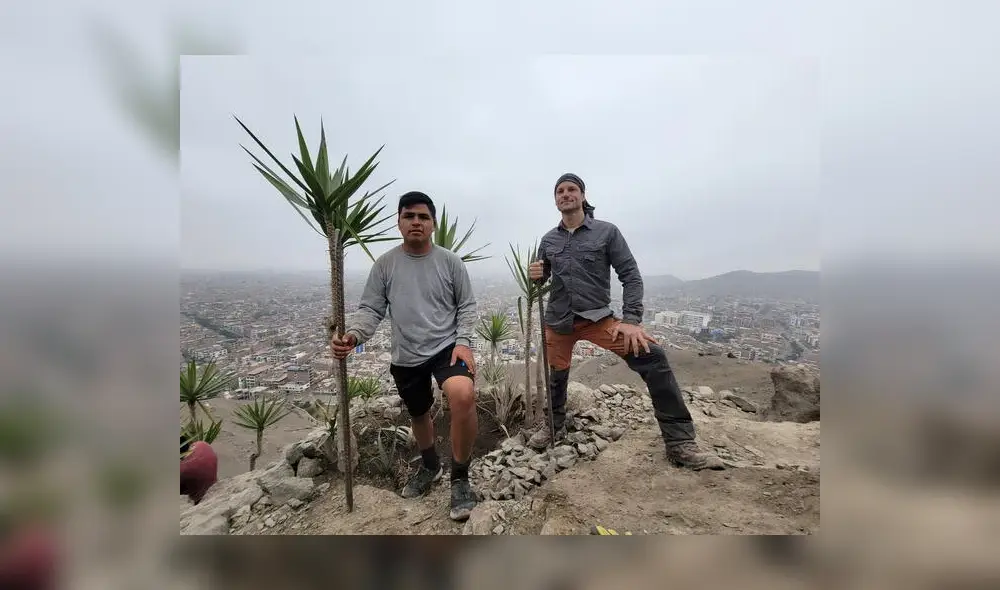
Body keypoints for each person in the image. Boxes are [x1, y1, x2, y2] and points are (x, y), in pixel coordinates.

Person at [525, 173, 725, 470]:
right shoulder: (549, 240)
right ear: (555, 199)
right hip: (559, 320)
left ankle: (680, 441)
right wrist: (538, 275)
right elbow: (545, 280)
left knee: (652, 356)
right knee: (556, 376)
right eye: (560, 191)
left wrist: (631, 320)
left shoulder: (607, 232)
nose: (566, 194)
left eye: (572, 189)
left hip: (597, 318)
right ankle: (555, 425)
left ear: (582, 195)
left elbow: (630, 275)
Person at [331, 191, 480, 521]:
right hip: (407, 351)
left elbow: (467, 306)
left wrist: (464, 341)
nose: (416, 222)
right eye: (409, 216)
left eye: (423, 217)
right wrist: (353, 336)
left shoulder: (450, 262)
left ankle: (460, 478)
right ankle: (430, 466)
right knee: (418, 412)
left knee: (463, 395)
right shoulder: (385, 265)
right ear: (398, 222)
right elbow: (371, 309)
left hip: (447, 346)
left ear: (433, 225)